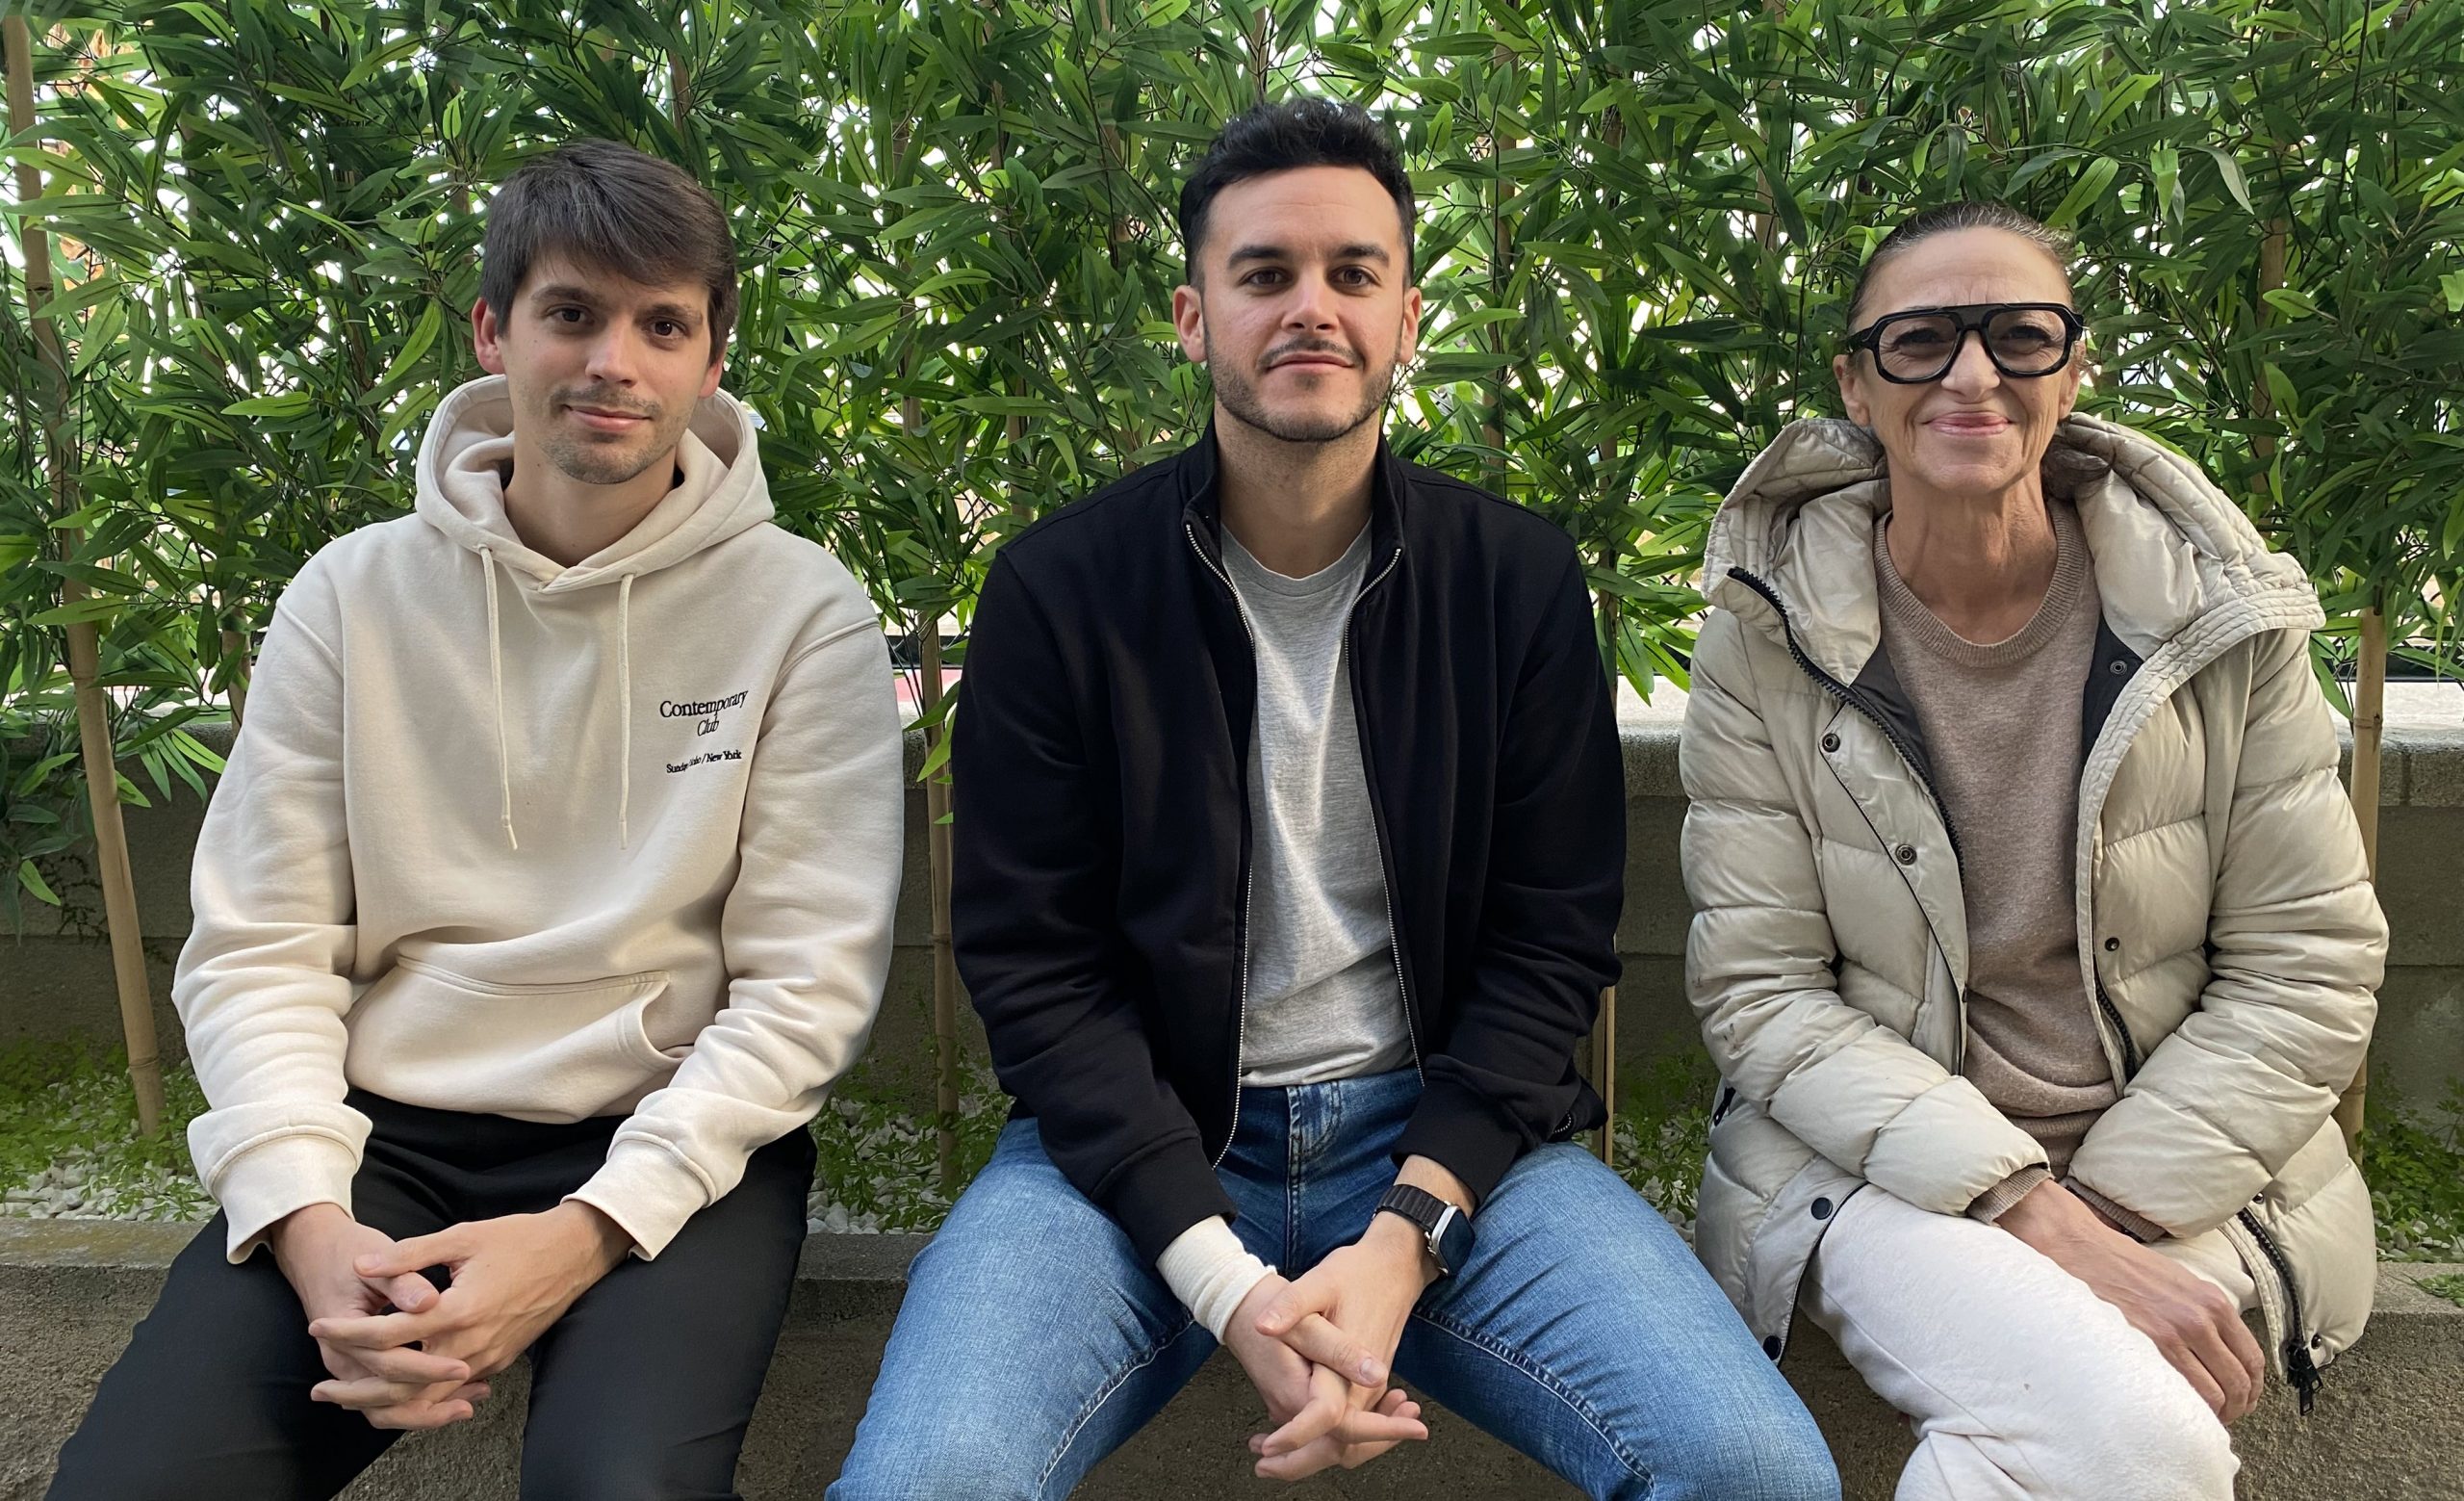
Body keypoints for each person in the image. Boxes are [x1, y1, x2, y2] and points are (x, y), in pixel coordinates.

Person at [830, 99, 1837, 1501]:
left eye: (1353, 273)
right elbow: (1035, 968)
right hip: (1136, 1150)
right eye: (1266, 273)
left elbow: (1551, 947)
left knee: (1752, 1471)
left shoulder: (1515, 583)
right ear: (1194, 319)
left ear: (1407, 319)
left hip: (1452, 1141)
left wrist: (1407, 1234)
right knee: (926, 1484)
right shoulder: (1062, 591)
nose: (1312, 306)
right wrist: (1226, 1283)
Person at [45, 139, 905, 1501]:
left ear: (712, 358)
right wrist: (306, 1218)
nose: (614, 362)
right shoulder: (352, 596)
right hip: (384, 1140)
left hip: (673, 1136)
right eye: (572, 313)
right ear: (495, 332)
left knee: (614, 1492)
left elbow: (808, 983)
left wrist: (587, 1231)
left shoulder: (804, 612)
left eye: (663, 325)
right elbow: (261, 942)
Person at [1680, 201, 2388, 1499]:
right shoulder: (1765, 634)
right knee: (2136, 1436)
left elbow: (2309, 963)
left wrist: (2101, 1216)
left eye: (2018, 336)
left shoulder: (2220, 616)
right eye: (1920, 341)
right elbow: (1761, 991)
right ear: (1855, 383)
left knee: (2104, 1435)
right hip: (1875, 1168)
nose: (1971, 375)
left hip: (2186, 1169)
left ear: (2073, 369)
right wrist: (2021, 1204)